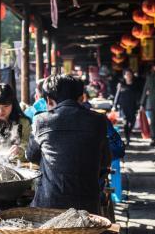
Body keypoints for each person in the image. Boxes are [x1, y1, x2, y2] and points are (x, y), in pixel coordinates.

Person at [26, 74, 111, 214]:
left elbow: (31, 156)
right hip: (88, 207)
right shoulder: (99, 120)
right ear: (81, 98)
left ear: (48, 100)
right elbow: (105, 160)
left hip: (49, 206)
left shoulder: (41, 120)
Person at [114, 69, 140, 145]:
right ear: (124, 76)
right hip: (123, 106)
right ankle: (127, 138)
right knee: (125, 122)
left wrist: (140, 104)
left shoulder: (135, 84)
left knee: (132, 121)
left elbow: (138, 95)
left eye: (130, 74)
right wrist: (114, 105)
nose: (129, 76)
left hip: (133, 106)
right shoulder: (121, 84)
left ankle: (129, 132)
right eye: (127, 74)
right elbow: (117, 95)